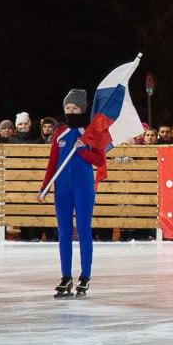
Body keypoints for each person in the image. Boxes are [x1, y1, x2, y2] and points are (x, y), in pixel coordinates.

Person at [38, 89, 106, 298]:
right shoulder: (60, 133)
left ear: (82, 109)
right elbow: (52, 163)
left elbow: (100, 161)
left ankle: (85, 276)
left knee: (84, 230)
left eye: (75, 108)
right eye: (67, 108)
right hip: (62, 189)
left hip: (83, 187)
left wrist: (83, 149)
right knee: (64, 232)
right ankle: (65, 276)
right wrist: (44, 186)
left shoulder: (90, 132)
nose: (71, 111)